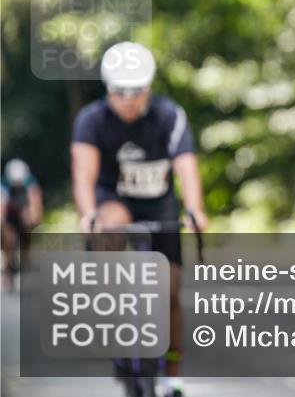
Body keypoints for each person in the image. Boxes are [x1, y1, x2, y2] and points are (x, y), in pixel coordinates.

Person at [71, 41, 209, 397]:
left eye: (137, 91)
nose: (129, 99)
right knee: (111, 223)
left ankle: (171, 375)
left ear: (149, 87)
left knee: (171, 292)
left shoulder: (169, 115)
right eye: (120, 92)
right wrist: (88, 215)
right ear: (107, 88)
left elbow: (186, 167)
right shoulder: (91, 119)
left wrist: (195, 209)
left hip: (159, 206)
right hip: (114, 201)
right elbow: (83, 175)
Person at [1, 158, 44, 287]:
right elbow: (1, 206)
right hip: (9, 215)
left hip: (24, 213)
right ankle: (9, 267)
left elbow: (35, 202)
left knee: (28, 228)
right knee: (6, 236)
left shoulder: (30, 182)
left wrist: (33, 219)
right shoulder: (3, 183)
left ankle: (27, 260)